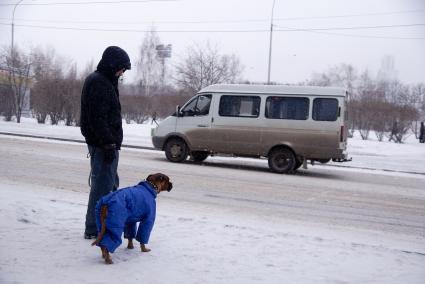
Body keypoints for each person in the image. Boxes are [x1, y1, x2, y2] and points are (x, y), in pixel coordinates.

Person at [80, 46, 131, 239]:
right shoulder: (99, 82)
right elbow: (97, 118)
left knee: (110, 185)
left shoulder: (107, 80)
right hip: (103, 145)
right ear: (111, 65)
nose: (122, 72)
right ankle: (94, 229)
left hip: (106, 144)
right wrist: (108, 143)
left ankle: (109, 223)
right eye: (121, 68)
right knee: (102, 188)